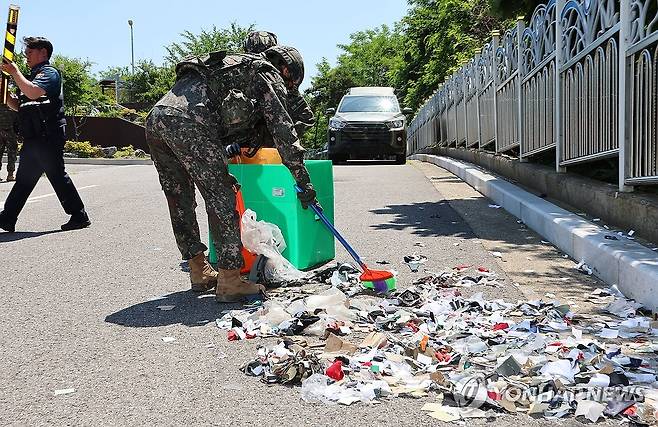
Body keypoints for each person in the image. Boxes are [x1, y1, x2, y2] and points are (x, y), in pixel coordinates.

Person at [145, 46, 319, 303]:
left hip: (157, 118)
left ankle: (199, 270)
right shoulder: (268, 75)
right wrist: (304, 182)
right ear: (286, 70)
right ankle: (229, 279)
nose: (288, 88)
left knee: (179, 199)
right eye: (291, 83)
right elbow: (285, 134)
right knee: (222, 196)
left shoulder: (237, 67)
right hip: (189, 123)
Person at [0, 37, 90, 233]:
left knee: (55, 174)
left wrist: (14, 73)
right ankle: (7, 218)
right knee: (25, 178)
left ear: (43, 52)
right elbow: (19, 105)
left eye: (29, 53)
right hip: (34, 136)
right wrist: (5, 92)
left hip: (49, 134)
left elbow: (33, 93)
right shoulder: (30, 77)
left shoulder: (49, 73)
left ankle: (79, 215)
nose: (26, 57)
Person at [0, 104, 18, 182]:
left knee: (12, 154)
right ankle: (10, 175)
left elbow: (17, 121)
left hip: (10, 132)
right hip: (9, 132)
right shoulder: (12, 105)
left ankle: (10, 174)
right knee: (12, 154)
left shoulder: (12, 104)